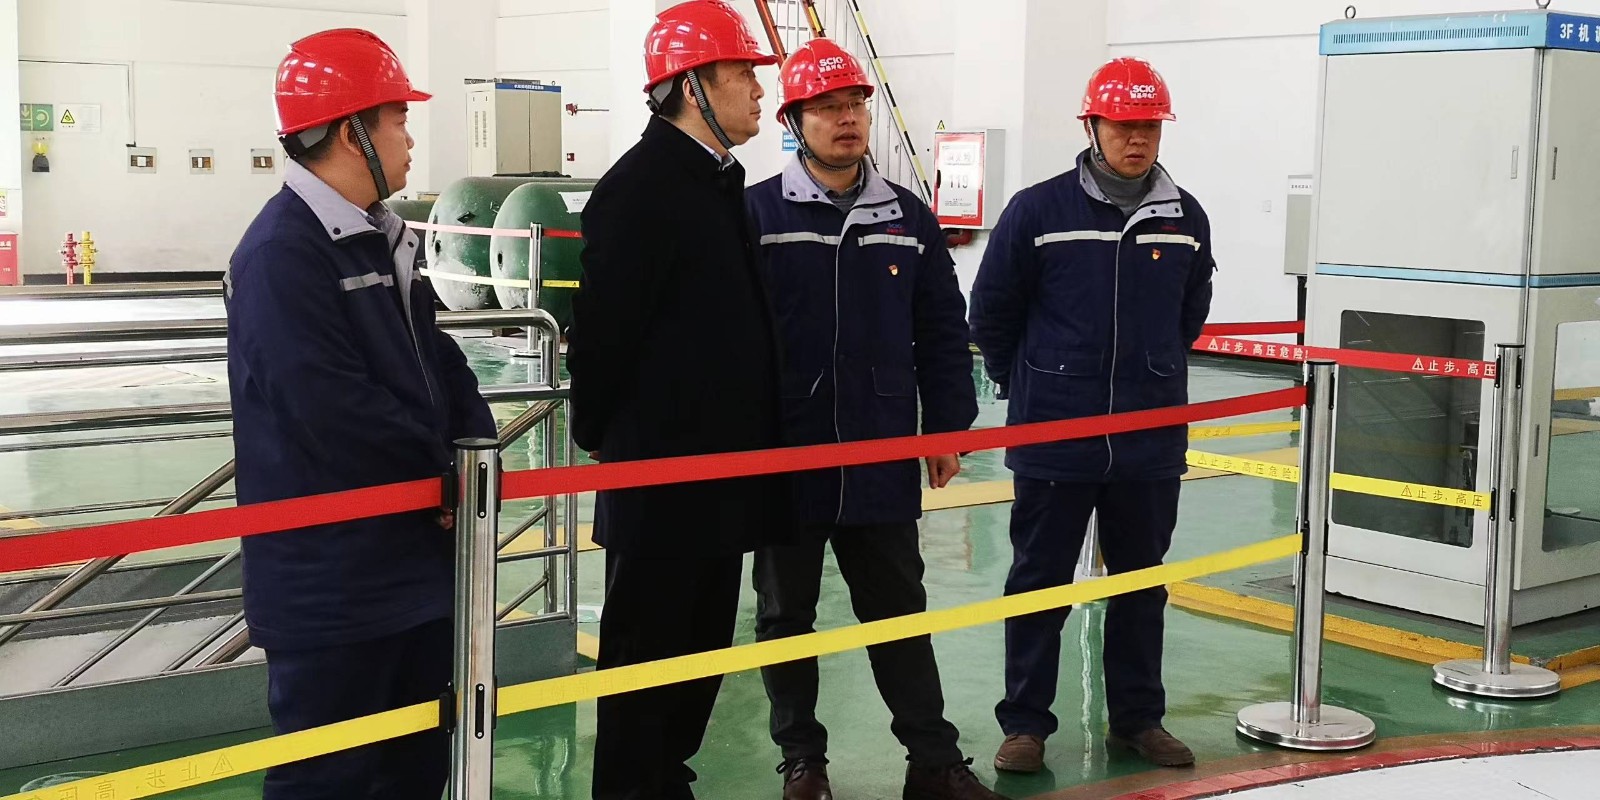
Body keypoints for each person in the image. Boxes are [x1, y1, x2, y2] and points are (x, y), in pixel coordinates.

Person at [224, 28, 496, 800]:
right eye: (398, 120)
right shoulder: (281, 254)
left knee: (413, 770)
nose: (410, 139)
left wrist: (475, 448)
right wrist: (441, 473)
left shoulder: (380, 237)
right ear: (352, 134)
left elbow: (439, 359)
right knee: (330, 779)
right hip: (332, 583)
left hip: (412, 565)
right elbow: (327, 406)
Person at [742, 38, 1006, 800]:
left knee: (898, 609)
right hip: (787, 455)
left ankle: (933, 761)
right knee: (784, 615)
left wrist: (948, 426)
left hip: (880, 449)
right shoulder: (757, 213)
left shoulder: (908, 217)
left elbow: (943, 330)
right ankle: (802, 761)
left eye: (855, 104)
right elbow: (731, 339)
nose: (847, 118)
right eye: (827, 107)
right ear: (793, 120)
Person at [565, 2, 791, 797]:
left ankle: (667, 780)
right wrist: (597, 430)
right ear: (692, 87)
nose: (760, 91)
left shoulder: (717, 182)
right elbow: (604, 333)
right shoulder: (641, 188)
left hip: (719, 476)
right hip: (661, 478)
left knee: (698, 652)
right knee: (646, 657)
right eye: (743, 75)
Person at [968, 56, 1215, 774]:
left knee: (1141, 580)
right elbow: (992, 313)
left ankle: (1139, 719)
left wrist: (1151, 371)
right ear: (1092, 126)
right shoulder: (1038, 211)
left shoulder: (1185, 217)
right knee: (1037, 580)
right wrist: (1034, 384)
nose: (1137, 139)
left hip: (1148, 435)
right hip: (1056, 433)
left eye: (1149, 126)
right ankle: (1025, 725)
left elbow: (1189, 314)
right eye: (1123, 125)